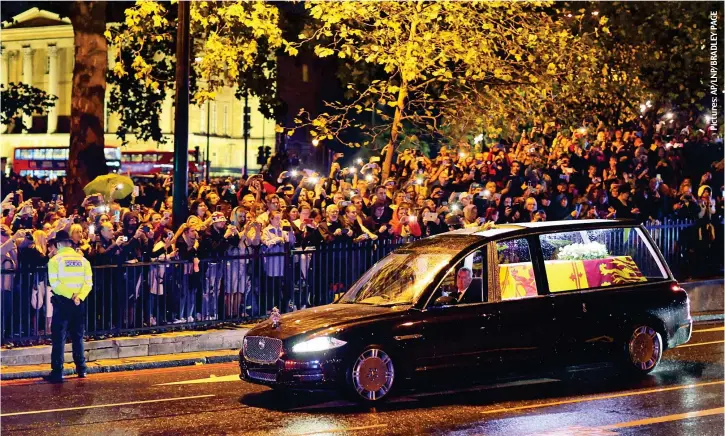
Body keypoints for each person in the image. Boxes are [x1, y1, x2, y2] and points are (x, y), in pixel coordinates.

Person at [45, 230, 93, 382]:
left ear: (58, 244)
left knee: (59, 338)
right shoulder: (84, 261)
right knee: (78, 336)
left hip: (62, 302)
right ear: (71, 244)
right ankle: (81, 369)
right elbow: (88, 283)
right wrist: (79, 297)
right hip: (79, 303)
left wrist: (70, 295)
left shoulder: (54, 261)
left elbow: (56, 284)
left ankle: (58, 372)